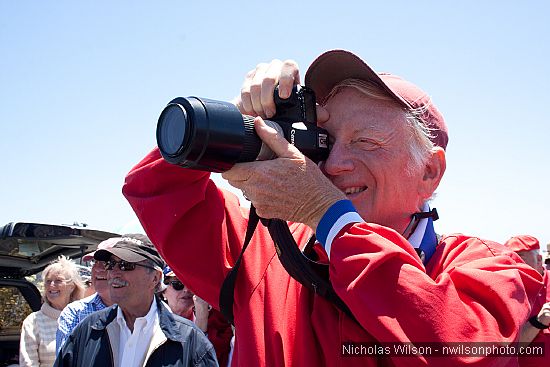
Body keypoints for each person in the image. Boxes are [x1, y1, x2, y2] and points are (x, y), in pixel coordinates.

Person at [122, 50, 543, 366]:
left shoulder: (488, 267)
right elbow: (158, 190)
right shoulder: (269, 255)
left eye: (366, 141)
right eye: (324, 140)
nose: (334, 163)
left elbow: (461, 348)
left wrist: (331, 218)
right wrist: (241, 120)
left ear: (430, 172)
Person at [54, 235, 218, 367]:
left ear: (155, 278)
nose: (114, 273)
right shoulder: (86, 331)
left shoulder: (190, 340)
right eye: (111, 264)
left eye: (126, 265)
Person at [55, 236, 119, 352]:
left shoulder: (141, 312)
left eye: (106, 263)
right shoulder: (74, 313)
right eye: (95, 262)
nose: (97, 268)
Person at [20, 255, 85, 367]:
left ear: (72, 286)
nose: (52, 285)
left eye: (58, 280)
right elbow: (28, 364)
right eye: (48, 281)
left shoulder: (84, 317)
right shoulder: (33, 322)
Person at [163, 266, 233, 366]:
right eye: (177, 284)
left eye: (191, 284)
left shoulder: (217, 327)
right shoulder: (154, 322)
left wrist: (202, 318)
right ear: (163, 291)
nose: (186, 290)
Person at [505, 235, 550, 366]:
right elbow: (507, 351)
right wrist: (537, 322)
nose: (514, 262)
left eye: (520, 257)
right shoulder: (506, 292)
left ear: (539, 259)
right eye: (509, 258)